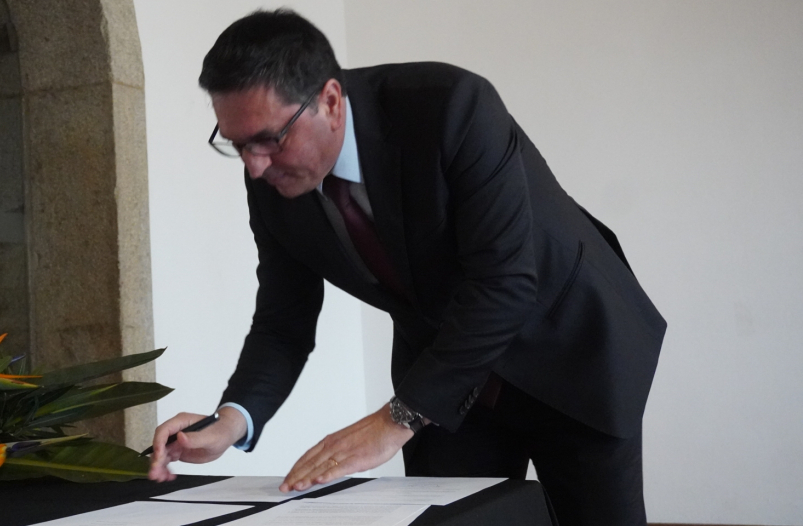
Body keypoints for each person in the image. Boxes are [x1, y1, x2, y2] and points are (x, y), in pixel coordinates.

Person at [148, 9, 666, 526]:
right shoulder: (270, 179)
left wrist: (395, 418)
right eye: (237, 144)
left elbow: (504, 285)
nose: (254, 165)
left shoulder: (451, 106)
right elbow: (284, 318)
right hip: (446, 377)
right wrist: (232, 420)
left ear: (330, 101)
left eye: (268, 139)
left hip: (568, 350)